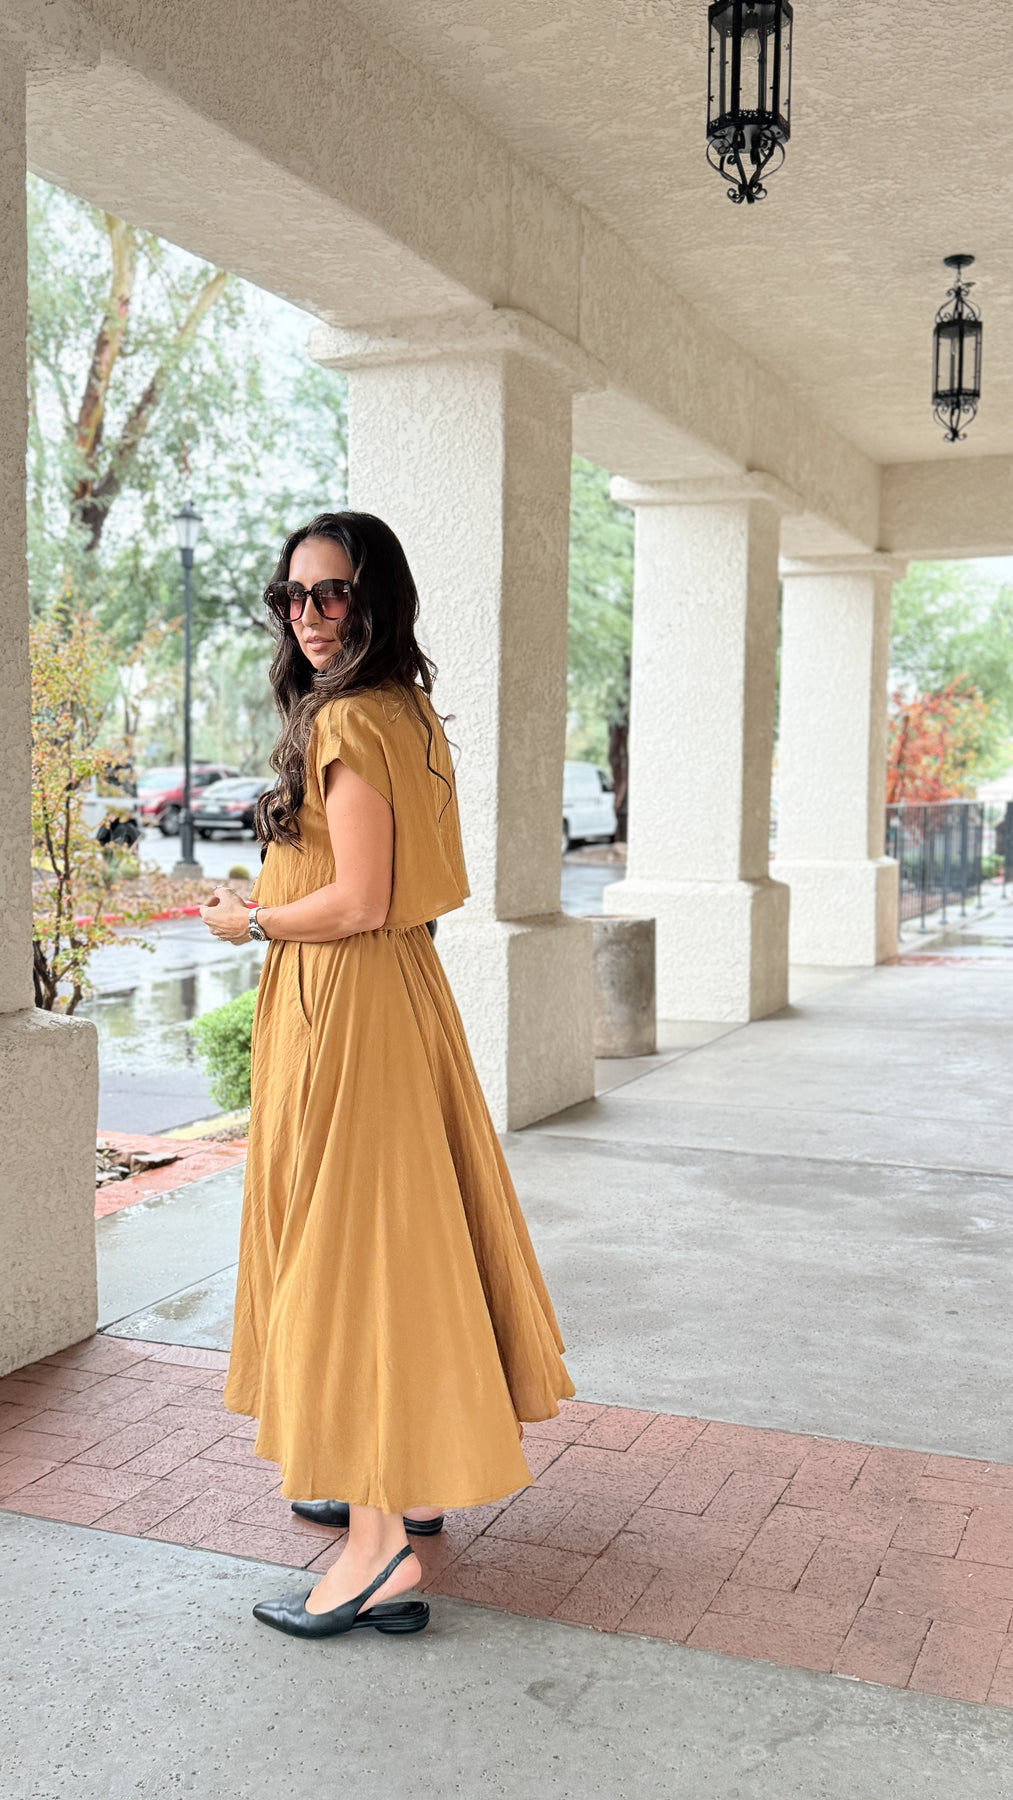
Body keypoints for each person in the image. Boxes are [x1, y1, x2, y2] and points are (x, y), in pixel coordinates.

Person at [200, 511, 574, 1641]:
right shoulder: (403, 709)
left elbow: (358, 899)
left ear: (376, 598)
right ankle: (399, 1485)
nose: (309, 616)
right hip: (393, 995)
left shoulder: (350, 719)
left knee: (350, 1256)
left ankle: (376, 1556)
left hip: (347, 1001)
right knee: (401, 1239)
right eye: (292, 596)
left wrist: (249, 920)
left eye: (333, 593)